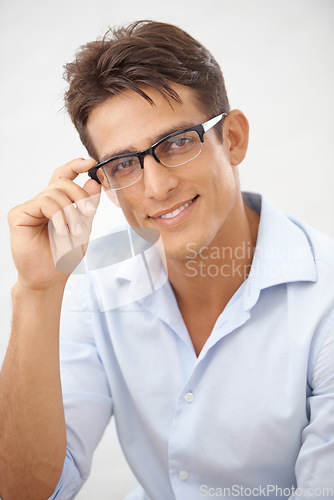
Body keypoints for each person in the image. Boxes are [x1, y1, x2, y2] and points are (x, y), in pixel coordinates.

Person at [1, 19, 334, 500]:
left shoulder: (325, 300)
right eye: (123, 165)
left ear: (233, 138)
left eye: (177, 142)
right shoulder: (96, 288)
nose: (156, 189)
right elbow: (26, 492)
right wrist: (36, 290)